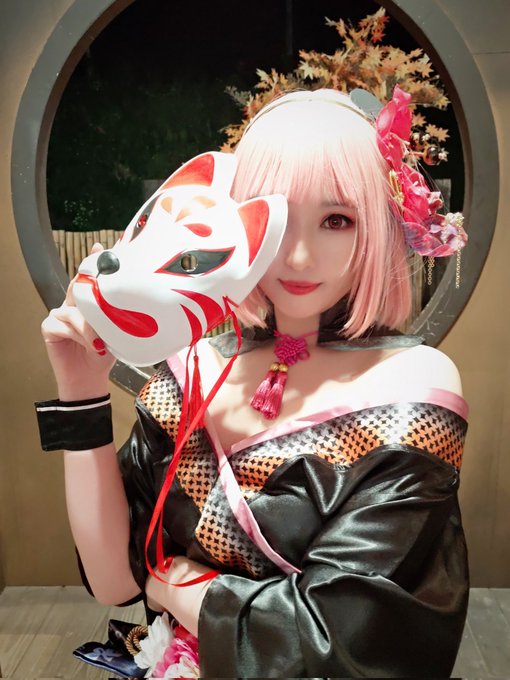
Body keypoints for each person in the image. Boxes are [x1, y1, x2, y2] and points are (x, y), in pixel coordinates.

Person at [38, 87, 469, 678]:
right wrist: (81, 392)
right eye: (279, 220)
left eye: (337, 220)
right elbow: (115, 581)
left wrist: (175, 586)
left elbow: (336, 634)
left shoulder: (412, 386)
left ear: (376, 228)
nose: (298, 256)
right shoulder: (193, 367)